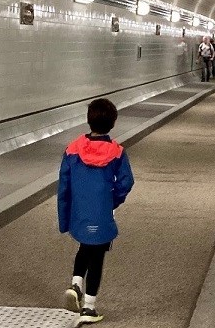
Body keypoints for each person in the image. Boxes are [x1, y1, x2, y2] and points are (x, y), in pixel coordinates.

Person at [58, 98, 135, 324]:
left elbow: (64, 185)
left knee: (84, 246)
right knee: (98, 256)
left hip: (80, 211)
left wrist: (65, 217)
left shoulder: (72, 149)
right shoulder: (117, 152)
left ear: (88, 120)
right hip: (102, 211)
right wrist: (113, 200)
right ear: (113, 123)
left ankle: (75, 284)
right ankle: (89, 307)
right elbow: (126, 182)